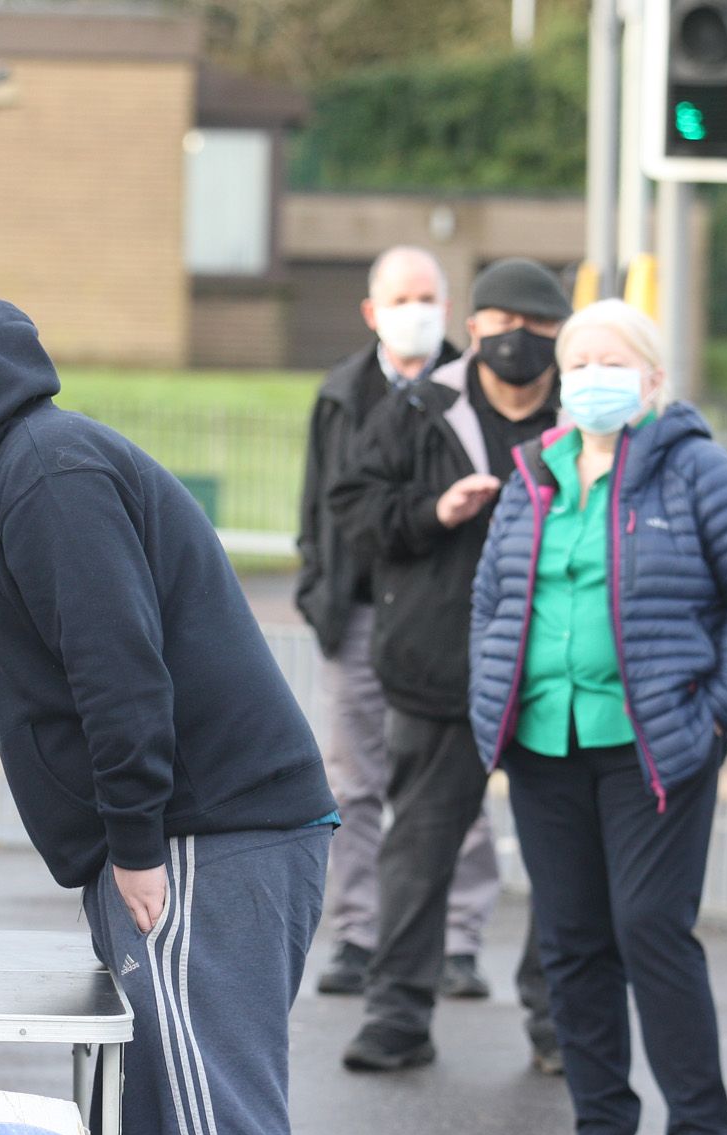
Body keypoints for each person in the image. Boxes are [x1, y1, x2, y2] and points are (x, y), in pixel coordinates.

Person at [0, 297, 336, 1135]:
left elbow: (118, 674)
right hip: (194, 835)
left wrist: (136, 843)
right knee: (157, 1118)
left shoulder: (48, 475)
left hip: (206, 836)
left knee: (210, 1130)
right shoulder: (23, 474)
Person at [469, 299, 727, 1135]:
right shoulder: (537, 473)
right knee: (570, 944)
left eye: (614, 362)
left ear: (652, 381)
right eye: (580, 363)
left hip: (656, 744)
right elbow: (492, 599)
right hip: (544, 742)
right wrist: (488, 700)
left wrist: (718, 710)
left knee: (651, 928)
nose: (593, 378)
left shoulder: (694, 471)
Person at [330, 257, 569, 1073]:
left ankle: (559, 1026)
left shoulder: (581, 419)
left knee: (564, 862)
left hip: (556, 675)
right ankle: (396, 1018)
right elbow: (354, 511)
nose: (521, 347)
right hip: (440, 666)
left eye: (540, 332)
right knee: (420, 850)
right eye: (505, 328)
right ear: (476, 330)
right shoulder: (421, 411)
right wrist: (435, 511)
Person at [293, 245, 502, 999]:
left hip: (443, 622)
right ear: (371, 311)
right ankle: (359, 934)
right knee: (353, 785)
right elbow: (322, 502)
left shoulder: (471, 390)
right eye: (402, 298)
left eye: (430, 297)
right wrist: (317, 584)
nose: (418, 311)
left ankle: (457, 940)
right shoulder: (342, 394)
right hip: (353, 616)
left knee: (454, 788)